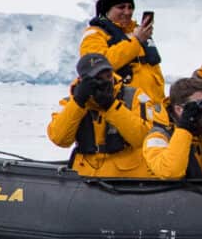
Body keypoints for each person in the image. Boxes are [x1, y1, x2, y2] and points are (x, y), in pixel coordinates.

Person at [46, 51, 174, 177]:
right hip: (85, 175)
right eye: (98, 79)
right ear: (82, 80)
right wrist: (78, 102)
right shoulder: (71, 103)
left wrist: (111, 106)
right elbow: (59, 139)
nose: (105, 82)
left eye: (108, 76)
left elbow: (142, 138)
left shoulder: (134, 96)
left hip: (127, 177)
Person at [78, 0, 166, 101]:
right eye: (121, 7)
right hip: (125, 107)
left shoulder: (138, 32)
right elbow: (97, 66)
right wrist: (136, 41)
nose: (127, 12)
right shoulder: (94, 34)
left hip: (152, 108)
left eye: (130, 7)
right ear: (107, 9)